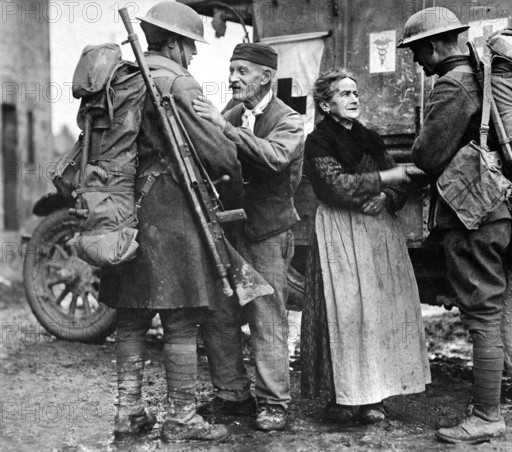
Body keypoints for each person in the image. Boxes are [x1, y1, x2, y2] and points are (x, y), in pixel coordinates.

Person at [99, 2, 241, 443]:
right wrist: (234, 168)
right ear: (175, 43)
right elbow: (219, 152)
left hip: (121, 210)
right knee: (180, 319)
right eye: (191, 46)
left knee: (130, 320)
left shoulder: (121, 77)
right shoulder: (178, 82)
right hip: (172, 211)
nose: (194, 55)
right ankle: (181, 415)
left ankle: (129, 412)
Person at [398, 7, 512, 444]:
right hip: (491, 211)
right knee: (488, 311)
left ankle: (487, 416)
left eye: (416, 53)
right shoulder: (480, 78)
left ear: (432, 46)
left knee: (483, 314)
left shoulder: (453, 85)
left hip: (471, 218)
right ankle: (486, 409)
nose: (416, 63)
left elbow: (427, 156)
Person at [299, 68, 430, 424]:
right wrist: (383, 180)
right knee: (345, 314)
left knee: (377, 314)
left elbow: (400, 182)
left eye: (355, 93)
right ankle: (344, 398)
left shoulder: (370, 138)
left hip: (376, 233)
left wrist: (387, 197)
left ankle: (374, 398)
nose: (354, 99)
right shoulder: (318, 142)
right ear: (325, 105)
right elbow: (335, 186)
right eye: (344, 94)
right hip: (340, 233)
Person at [192, 43, 304, 431]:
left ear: (266, 77)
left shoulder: (289, 120)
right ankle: (232, 395)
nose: (233, 78)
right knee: (219, 311)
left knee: (266, 316)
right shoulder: (233, 113)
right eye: (232, 69)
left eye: (242, 71)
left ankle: (274, 402)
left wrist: (223, 129)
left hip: (267, 233)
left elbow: (274, 157)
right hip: (230, 230)